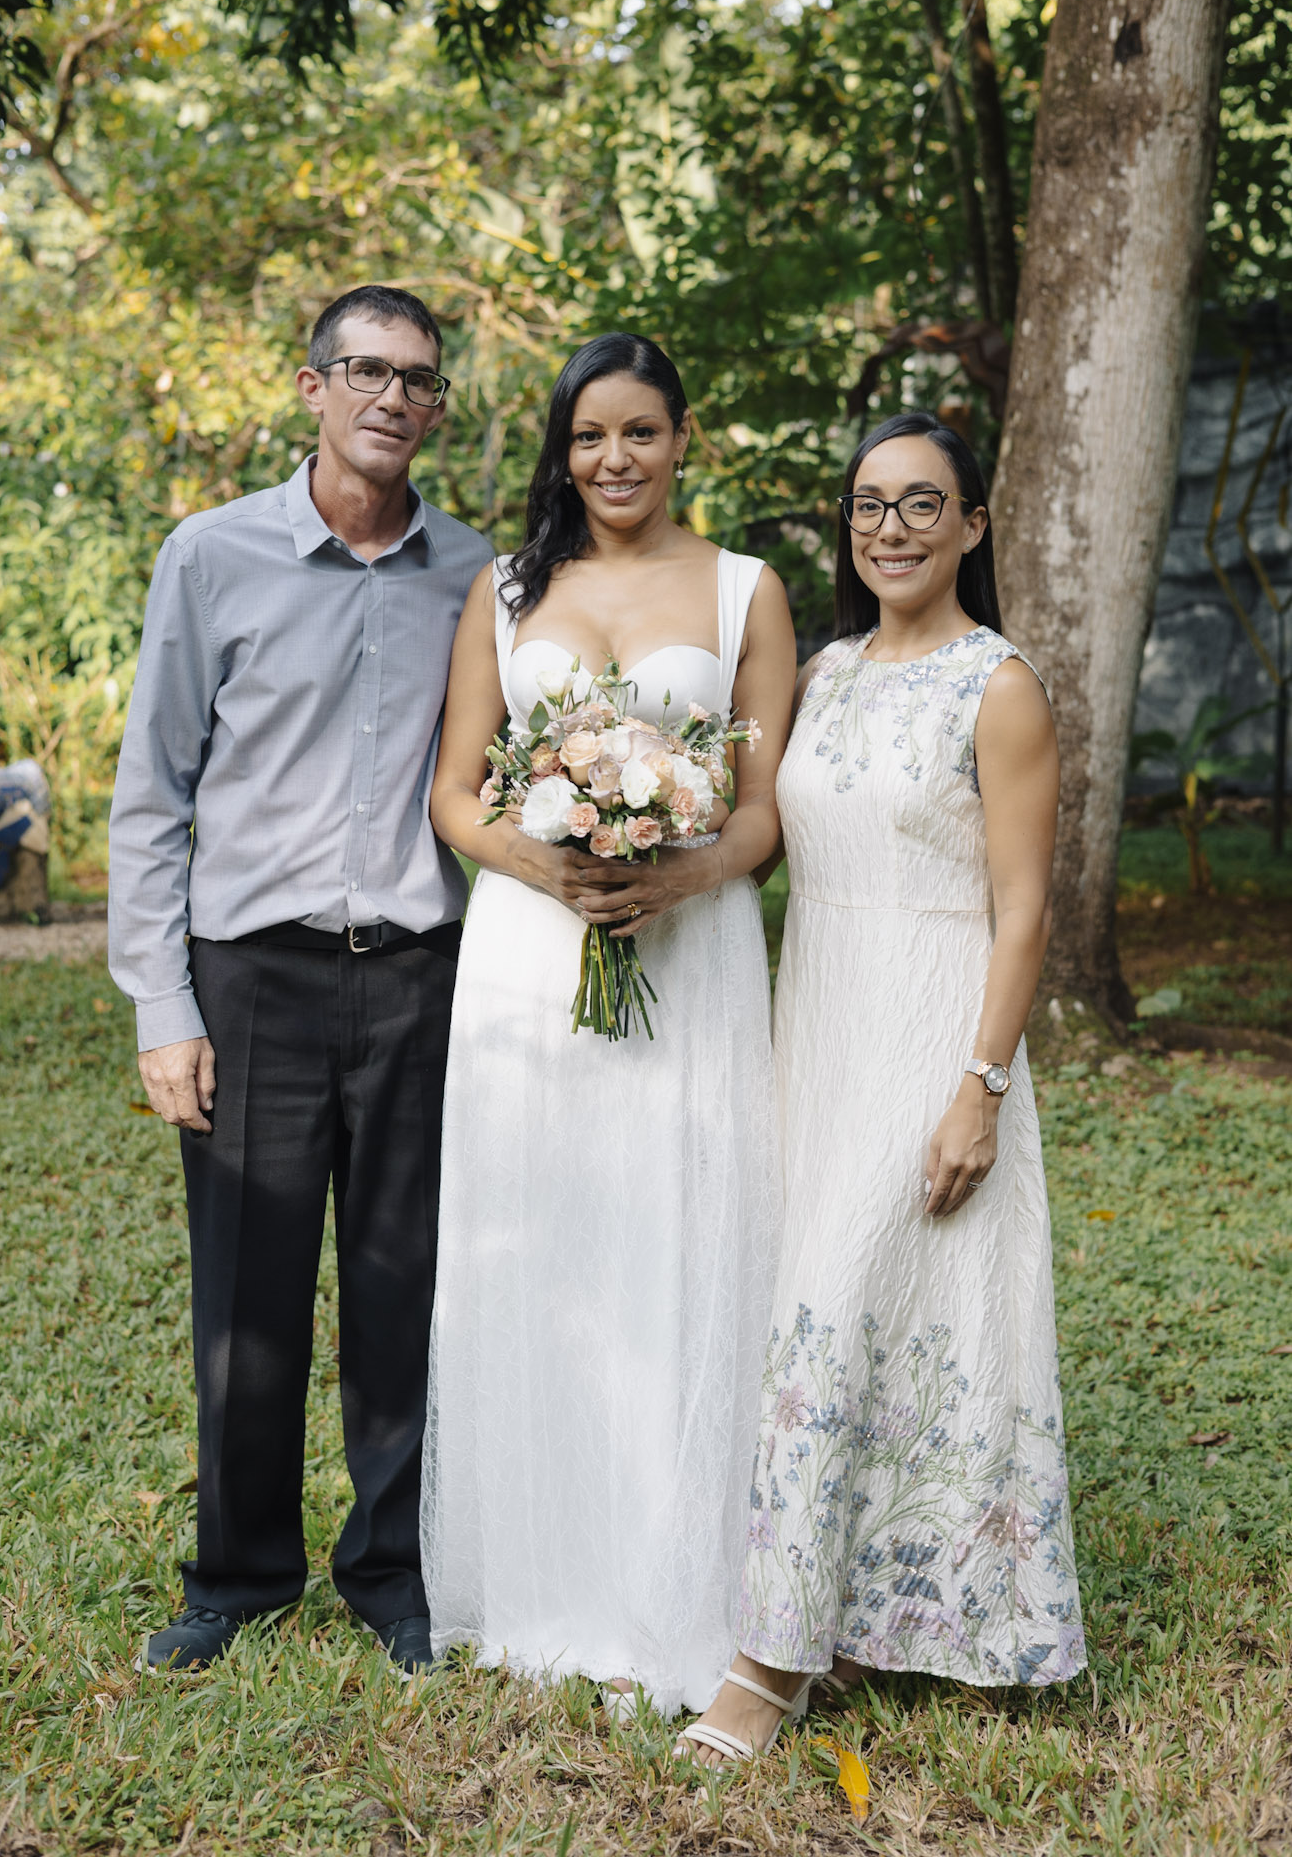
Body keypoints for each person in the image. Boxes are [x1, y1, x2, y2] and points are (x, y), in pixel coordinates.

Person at [679, 410, 1086, 1767]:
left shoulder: (999, 684)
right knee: (837, 1301)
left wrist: (980, 1083)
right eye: (867, 504)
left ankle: (764, 1666)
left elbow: (1024, 911)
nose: (890, 527)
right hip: (819, 1018)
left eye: (921, 503)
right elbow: (755, 825)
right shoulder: (832, 673)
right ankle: (877, 1610)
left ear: (972, 525)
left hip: (931, 1020)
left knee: (838, 1301)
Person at [107, 284, 492, 1674]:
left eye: (420, 382)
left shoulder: (482, 580)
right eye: (368, 372)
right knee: (246, 1297)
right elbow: (153, 794)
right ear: (312, 387)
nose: (394, 399)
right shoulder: (211, 560)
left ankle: (389, 1574)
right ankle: (239, 1575)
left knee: (402, 1286)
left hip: (415, 981)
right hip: (251, 980)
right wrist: (163, 1008)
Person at [421, 333, 796, 1716]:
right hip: (528, 958)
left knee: (680, 1234)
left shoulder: (748, 590)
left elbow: (761, 804)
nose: (613, 461)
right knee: (550, 1241)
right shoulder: (509, 590)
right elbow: (458, 793)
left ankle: (678, 1584)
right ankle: (541, 1585)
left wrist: (686, 870)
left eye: (639, 432)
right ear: (560, 448)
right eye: (588, 438)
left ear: (683, 437)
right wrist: (548, 864)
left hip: (690, 957)